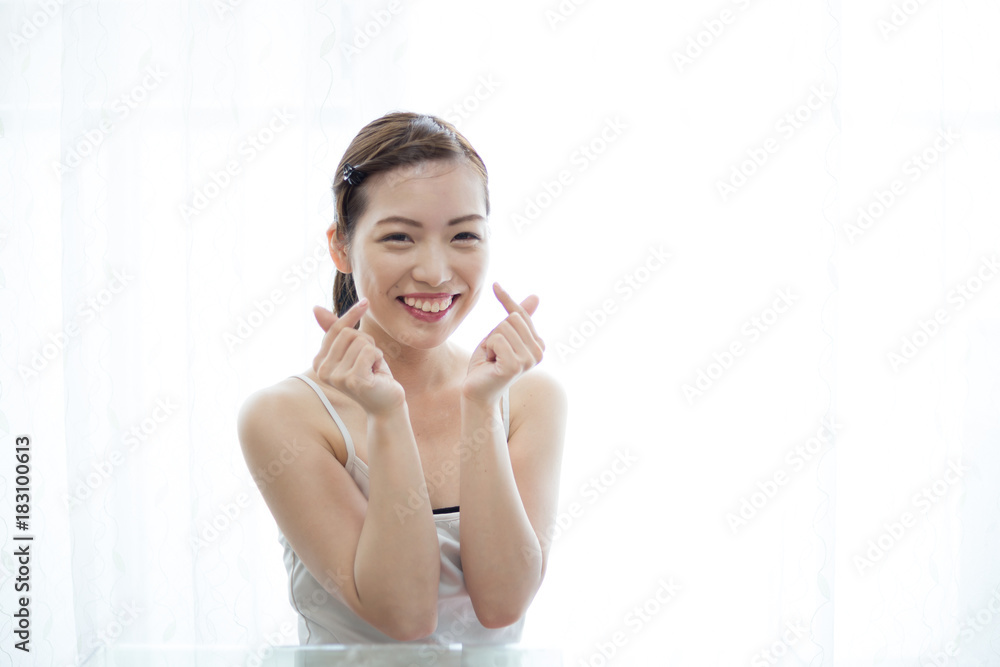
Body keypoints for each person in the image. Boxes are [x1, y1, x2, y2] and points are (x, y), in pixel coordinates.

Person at [237, 111, 567, 645]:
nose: (435, 272)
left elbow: (502, 605)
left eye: (464, 235)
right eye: (399, 238)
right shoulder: (283, 416)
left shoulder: (528, 397)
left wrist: (481, 407)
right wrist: (387, 415)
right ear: (340, 247)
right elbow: (405, 615)